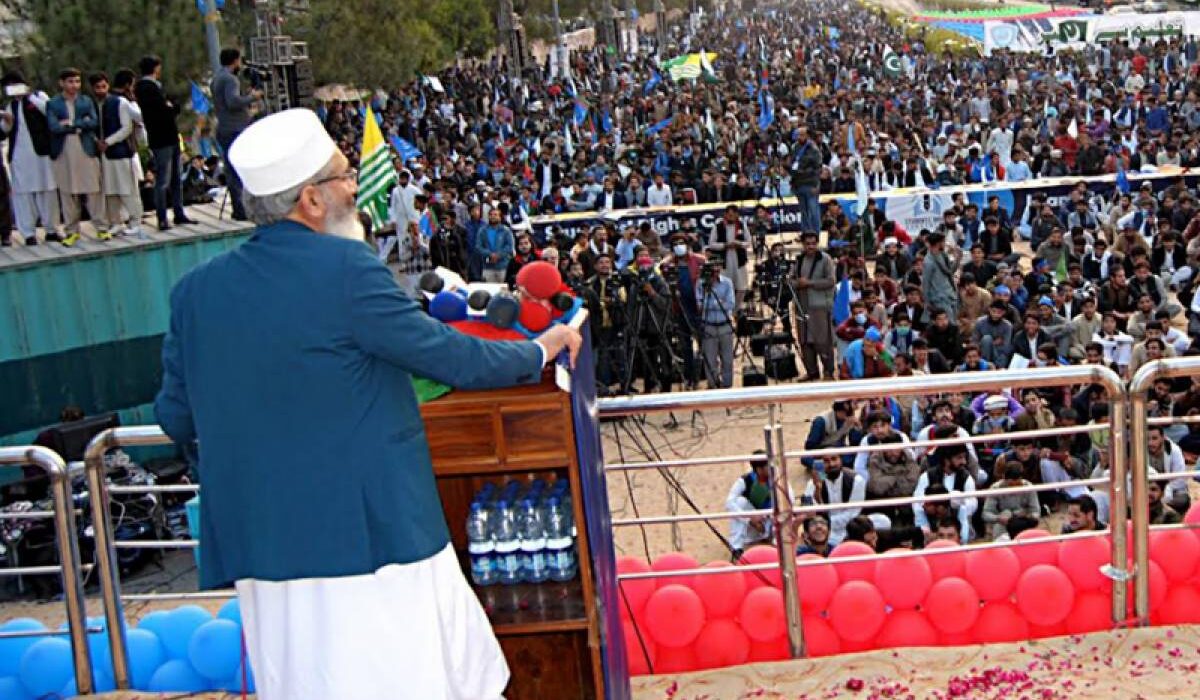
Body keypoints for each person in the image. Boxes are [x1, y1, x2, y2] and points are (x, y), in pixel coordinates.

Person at [155, 108, 582, 700]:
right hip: (370, 546)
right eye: (342, 176)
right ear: (310, 199)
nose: (354, 186)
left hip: (265, 554)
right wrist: (540, 349)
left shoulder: (193, 292)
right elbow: (449, 358)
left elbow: (174, 418)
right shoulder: (347, 268)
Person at [47, 67, 108, 246]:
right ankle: (72, 231)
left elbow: (94, 122)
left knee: (93, 190)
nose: (74, 85)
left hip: (85, 149)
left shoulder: (86, 101)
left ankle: (101, 228)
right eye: (70, 81)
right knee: (68, 192)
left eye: (77, 81)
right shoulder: (54, 103)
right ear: (62, 83)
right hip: (64, 151)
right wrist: (80, 125)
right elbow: (54, 127)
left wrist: (71, 124)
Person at [0, 70, 61, 246]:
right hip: (19, 156)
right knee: (23, 195)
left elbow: (50, 111)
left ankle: (51, 229)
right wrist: (6, 120)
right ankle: (28, 233)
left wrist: (29, 96)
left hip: (40, 154)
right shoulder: (10, 106)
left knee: (47, 191)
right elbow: (5, 130)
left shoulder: (38, 97)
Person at [135, 55, 195, 230]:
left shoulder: (156, 87)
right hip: (161, 138)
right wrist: (170, 107)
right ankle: (162, 217)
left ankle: (179, 212)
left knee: (176, 177)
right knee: (163, 179)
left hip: (170, 135)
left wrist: (171, 107)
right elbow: (162, 111)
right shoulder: (146, 88)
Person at [92, 71, 146, 239]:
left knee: (127, 189)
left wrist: (108, 142)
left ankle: (136, 221)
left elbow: (126, 128)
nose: (100, 90)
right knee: (110, 191)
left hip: (121, 153)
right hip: (103, 155)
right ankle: (116, 223)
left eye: (103, 86)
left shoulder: (120, 102)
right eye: (97, 87)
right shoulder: (93, 105)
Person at [211, 48, 262, 222]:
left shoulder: (217, 78)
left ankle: (238, 208)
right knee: (239, 170)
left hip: (225, 128)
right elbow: (232, 102)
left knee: (231, 170)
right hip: (235, 129)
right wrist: (252, 97)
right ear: (234, 61)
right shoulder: (230, 79)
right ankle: (242, 209)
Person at [791, 230, 836, 380]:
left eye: (813, 243)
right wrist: (797, 283)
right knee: (804, 340)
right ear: (803, 245)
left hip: (819, 306)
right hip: (801, 305)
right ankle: (812, 372)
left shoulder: (825, 259)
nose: (810, 247)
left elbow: (830, 281)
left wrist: (809, 283)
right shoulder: (799, 260)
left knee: (822, 341)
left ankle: (828, 371)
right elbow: (791, 280)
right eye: (807, 244)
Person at [912, 442, 977, 544]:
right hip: (930, 525)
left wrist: (954, 502)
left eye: (964, 458)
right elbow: (918, 505)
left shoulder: (966, 477)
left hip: (957, 522)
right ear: (947, 460)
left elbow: (972, 504)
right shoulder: (927, 476)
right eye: (959, 458)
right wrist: (926, 529)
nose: (963, 462)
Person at [726, 451, 785, 559]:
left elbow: (788, 500)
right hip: (751, 528)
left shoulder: (778, 480)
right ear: (759, 469)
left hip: (769, 524)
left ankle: (777, 546)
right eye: (768, 466)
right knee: (739, 502)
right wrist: (749, 519)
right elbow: (729, 503)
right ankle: (736, 549)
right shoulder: (745, 481)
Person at [803, 453, 866, 546]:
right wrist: (818, 490)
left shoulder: (856, 480)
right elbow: (812, 515)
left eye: (834, 459)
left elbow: (852, 514)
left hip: (850, 526)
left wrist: (827, 521)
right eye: (826, 461)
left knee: (883, 521)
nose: (831, 464)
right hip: (825, 530)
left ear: (841, 460)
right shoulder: (813, 484)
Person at [696, 258, 736, 388]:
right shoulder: (701, 283)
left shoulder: (727, 283)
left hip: (725, 326)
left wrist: (711, 303)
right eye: (713, 267)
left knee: (728, 360)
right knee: (710, 361)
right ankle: (713, 386)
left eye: (718, 266)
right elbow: (700, 307)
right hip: (709, 326)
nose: (716, 270)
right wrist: (718, 301)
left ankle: (727, 387)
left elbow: (730, 304)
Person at [981, 462, 1041, 541]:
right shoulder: (995, 489)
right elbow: (985, 514)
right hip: (1003, 524)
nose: (1014, 488)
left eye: (1017, 484)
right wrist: (998, 518)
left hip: (1022, 522)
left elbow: (1036, 512)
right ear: (1004, 479)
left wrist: (1027, 515)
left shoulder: (1029, 487)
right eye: (1011, 485)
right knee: (1005, 515)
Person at [707, 205, 751, 306]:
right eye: (729, 215)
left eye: (734, 215)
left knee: (741, 287)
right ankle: (726, 309)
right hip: (724, 262)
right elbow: (711, 244)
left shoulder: (741, 225)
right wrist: (725, 245)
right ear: (725, 215)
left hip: (739, 261)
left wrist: (739, 244)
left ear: (737, 215)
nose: (731, 217)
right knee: (725, 286)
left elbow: (748, 242)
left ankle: (736, 310)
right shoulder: (718, 226)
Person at [476, 207, 514, 284]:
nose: (493, 216)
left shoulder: (506, 230)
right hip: (487, 266)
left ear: (500, 217)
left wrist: (498, 255)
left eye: (495, 215)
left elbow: (509, 247)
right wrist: (490, 254)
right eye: (491, 215)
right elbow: (478, 246)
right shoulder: (482, 230)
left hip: (503, 266)